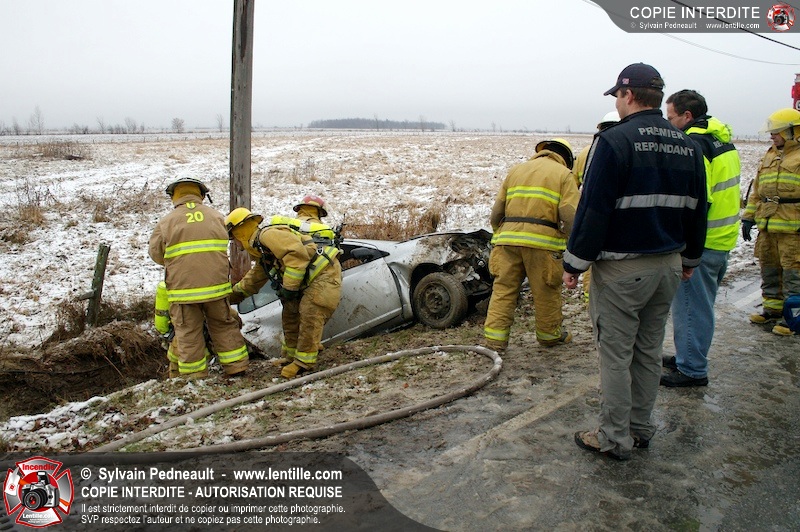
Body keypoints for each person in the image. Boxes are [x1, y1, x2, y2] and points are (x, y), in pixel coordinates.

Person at [563, 63, 707, 460]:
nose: (617, 103)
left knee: (616, 356)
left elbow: (593, 210)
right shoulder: (689, 146)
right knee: (647, 351)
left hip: (623, 272)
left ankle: (613, 438)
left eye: (617, 96)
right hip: (668, 267)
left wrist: (574, 264)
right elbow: (699, 210)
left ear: (627, 95)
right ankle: (640, 429)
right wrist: (691, 258)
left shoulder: (614, 141)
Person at [659, 90, 742, 387]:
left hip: (703, 243)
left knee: (692, 308)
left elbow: (697, 201)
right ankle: (688, 355)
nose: (668, 124)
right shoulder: (722, 141)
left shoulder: (694, 144)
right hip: (722, 238)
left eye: (671, 118)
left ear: (687, 116)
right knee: (700, 306)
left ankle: (692, 369)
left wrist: (686, 245)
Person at [225, 197, 342, 379]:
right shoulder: (261, 247)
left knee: (310, 313)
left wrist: (290, 287)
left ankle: (303, 363)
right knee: (290, 314)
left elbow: (296, 255)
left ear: (240, 232)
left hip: (325, 275)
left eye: (234, 238)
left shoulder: (267, 235)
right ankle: (291, 357)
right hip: (310, 277)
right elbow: (256, 277)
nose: (236, 244)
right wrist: (233, 295)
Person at [483, 138, 580, 351]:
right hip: (543, 245)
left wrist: (500, 232)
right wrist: (572, 241)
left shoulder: (516, 171)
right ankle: (549, 336)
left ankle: (495, 341)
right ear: (566, 158)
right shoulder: (564, 175)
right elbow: (570, 215)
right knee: (546, 291)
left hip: (507, 242)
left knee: (503, 290)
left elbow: (497, 212)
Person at [148, 178, 249, 378]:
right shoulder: (216, 216)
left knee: (188, 332)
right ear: (201, 194)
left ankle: (194, 376)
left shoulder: (166, 222)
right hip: (216, 288)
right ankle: (237, 366)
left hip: (183, 291)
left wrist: (177, 264)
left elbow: (156, 254)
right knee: (224, 325)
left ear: (175, 196)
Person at [742, 108, 800, 336]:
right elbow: (757, 192)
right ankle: (772, 311)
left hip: (793, 230)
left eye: (777, 131)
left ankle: (793, 319)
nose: (772, 135)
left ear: (793, 131)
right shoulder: (769, 156)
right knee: (769, 270)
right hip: (767, 228)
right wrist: (748, 217)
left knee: (794, 275)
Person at [572, 111, 620, 301]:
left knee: (590, 251)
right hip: (616, 212)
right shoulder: (624, 148)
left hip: (589, 211)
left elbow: (572, 184)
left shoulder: (587, 151)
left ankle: (589, 296)